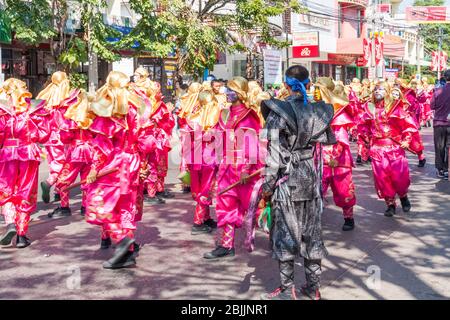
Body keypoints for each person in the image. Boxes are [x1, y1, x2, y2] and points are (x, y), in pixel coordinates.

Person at [260, 65, 335, 300]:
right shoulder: (317, 112)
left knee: (286, 233)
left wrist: (268, 185)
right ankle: (313, 289)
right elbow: (327, 140)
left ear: (285, 85)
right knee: (311, 232)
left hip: (287, 179)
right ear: (309, 84)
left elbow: (273, 153)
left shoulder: (278, 111)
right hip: (309, 176)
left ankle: (286, 290)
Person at [84, 71, 154, 269]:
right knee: (125, 208)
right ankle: (127, 254)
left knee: (101, 205)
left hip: (113, 165)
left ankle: (122, 240)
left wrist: (94, 169)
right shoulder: (135, 110)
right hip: (131, 162)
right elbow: (147, 143)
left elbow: (101, 146)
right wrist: (143, 164)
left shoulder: (109, 112)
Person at [203, 77, 263, 260]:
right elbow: (218, 136)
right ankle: (226, 246)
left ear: (238, 93)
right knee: (225, 204)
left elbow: (251, 144)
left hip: (244, 171)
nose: (226, 92)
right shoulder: (224, 113)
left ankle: (279, 235)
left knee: (254, 208)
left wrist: (246, 168)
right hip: (227, 168)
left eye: (229, 89)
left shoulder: (249, 116)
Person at [0, 78, 51, 248]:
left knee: (6, 190)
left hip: (7, 153)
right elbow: (44, 134)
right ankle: (21, 234)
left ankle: (10, 223)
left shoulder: (2, 111)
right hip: (28, 152)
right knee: (26, 191)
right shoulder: (34, 109)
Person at [358, 81, 416, 217]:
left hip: (395, 148)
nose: (378, 91)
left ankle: (403, 196)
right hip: (377, 149)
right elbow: (362, 127)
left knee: (399, 177)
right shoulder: (369, 108)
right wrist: (365, 140)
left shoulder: (396, 108)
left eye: (381, 89)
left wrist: (406, 140)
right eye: (376, 89)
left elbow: (408, 125)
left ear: (388, 91)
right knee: (382, 178)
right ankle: (390, 204)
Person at [314, 78, 356, 231]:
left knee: (343, 191)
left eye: (319, 89)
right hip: (319, 158)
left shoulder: (338, 113)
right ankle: (313, 219)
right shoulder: (315, 110)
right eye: (315, 89)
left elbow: (341, 137)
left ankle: (348, 217)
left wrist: (334, 156)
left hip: (339, 161)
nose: (315, 92)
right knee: (317, 190)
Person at [180, 90, 221, 235]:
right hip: (207, 158)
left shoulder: (192, 117)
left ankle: (206, 217)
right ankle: (198, 222)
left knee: (199, 188)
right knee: (205, 189)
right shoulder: (213, 120)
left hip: (194, 157)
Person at [38, 72, 71, 205]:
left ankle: (58, 191)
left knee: (54, 163)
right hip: (62, 137)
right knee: (63, 164)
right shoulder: (65, 97)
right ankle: (50, 182)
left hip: (47, 136)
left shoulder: (45, 95)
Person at [430, 69, 450, 180]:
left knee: (439, 147)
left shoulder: (437, 91)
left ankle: (441, 169)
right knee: (449, 147)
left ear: (444, 77)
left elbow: (432, 106)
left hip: (439, 123)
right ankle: (448, 169)